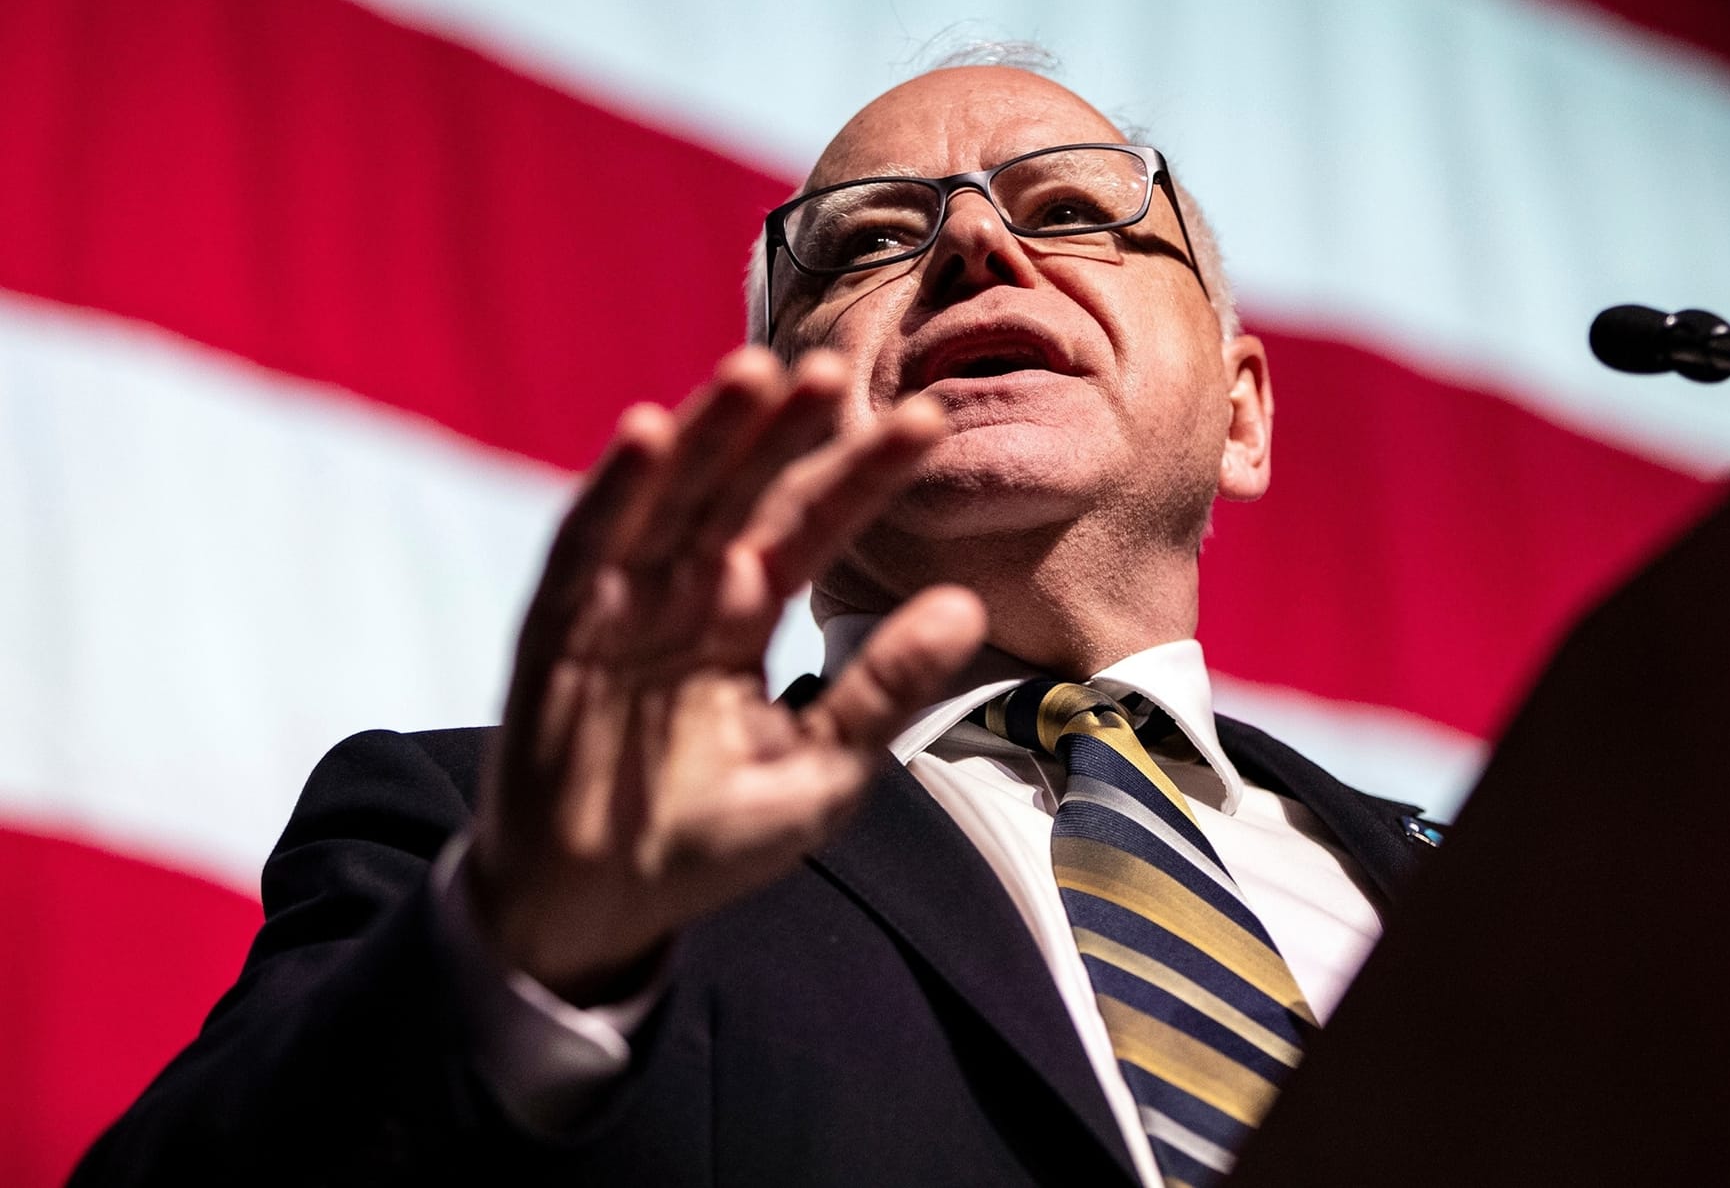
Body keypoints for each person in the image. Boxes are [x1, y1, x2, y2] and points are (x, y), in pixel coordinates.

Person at [74, 62, 1440, 1187]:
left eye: (1074, 208)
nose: (976, 243)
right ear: (784, 420)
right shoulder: (497, 844)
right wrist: (520, 956)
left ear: (1243, 415)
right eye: (872, 240)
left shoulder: (1471, 901)